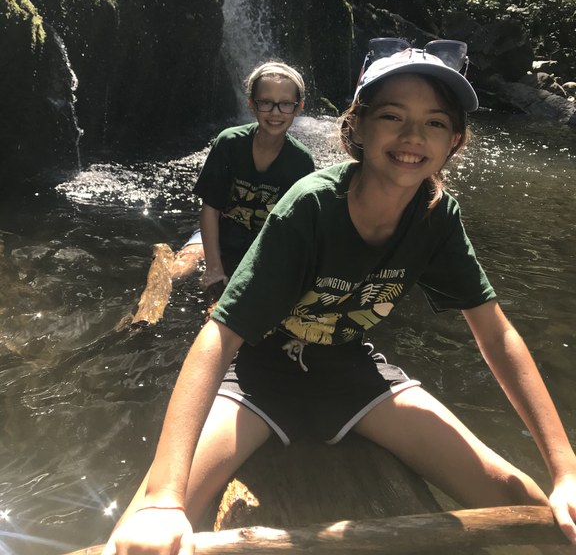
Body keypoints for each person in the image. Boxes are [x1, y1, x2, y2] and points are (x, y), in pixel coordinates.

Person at [104, 40, 576, 555]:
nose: (413, 135)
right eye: (393, 116)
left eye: (435, 123)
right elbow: (220, 335)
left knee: (528, 505)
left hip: (354, 375)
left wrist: (565, 469)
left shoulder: (437, 217)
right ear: (356, 127)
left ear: (455, 141)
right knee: (141, 531)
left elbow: (496, 332)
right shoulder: (309, 206)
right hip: (259, 378)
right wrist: (165, 499)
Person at [167, 61, 315, 296]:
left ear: (299, 108)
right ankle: (143, 310)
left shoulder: (301, 162)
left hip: (260, 245)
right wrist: (214, 268)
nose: (275, 112)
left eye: (286, 104)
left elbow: (293, 231)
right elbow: (210, 209)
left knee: (224, 302)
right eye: (265, 102)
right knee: (182, 266)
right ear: (251, 105)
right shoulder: (229, 143)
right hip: (217, 231)